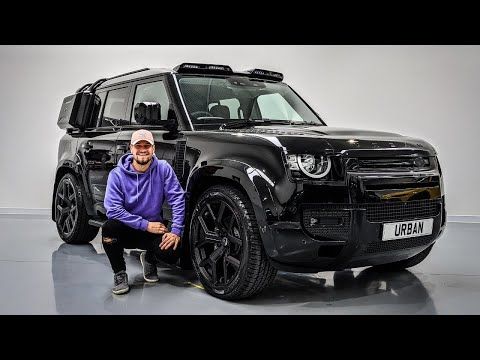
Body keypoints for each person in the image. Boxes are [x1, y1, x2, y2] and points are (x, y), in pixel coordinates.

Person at [101, 129, 186, 295]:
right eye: (138, 145)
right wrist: (145, 225)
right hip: (128, 229)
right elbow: (113, 210)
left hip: (153, 230)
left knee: (174, 249)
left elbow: (178, 198)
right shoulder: (117, 175)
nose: (142, 149)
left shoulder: (163, 169)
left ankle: (149, 258)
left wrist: (176, 230)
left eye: (147, 145)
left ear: (153, 149)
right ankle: (119, 273)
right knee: (108, 229)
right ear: (131, 149)